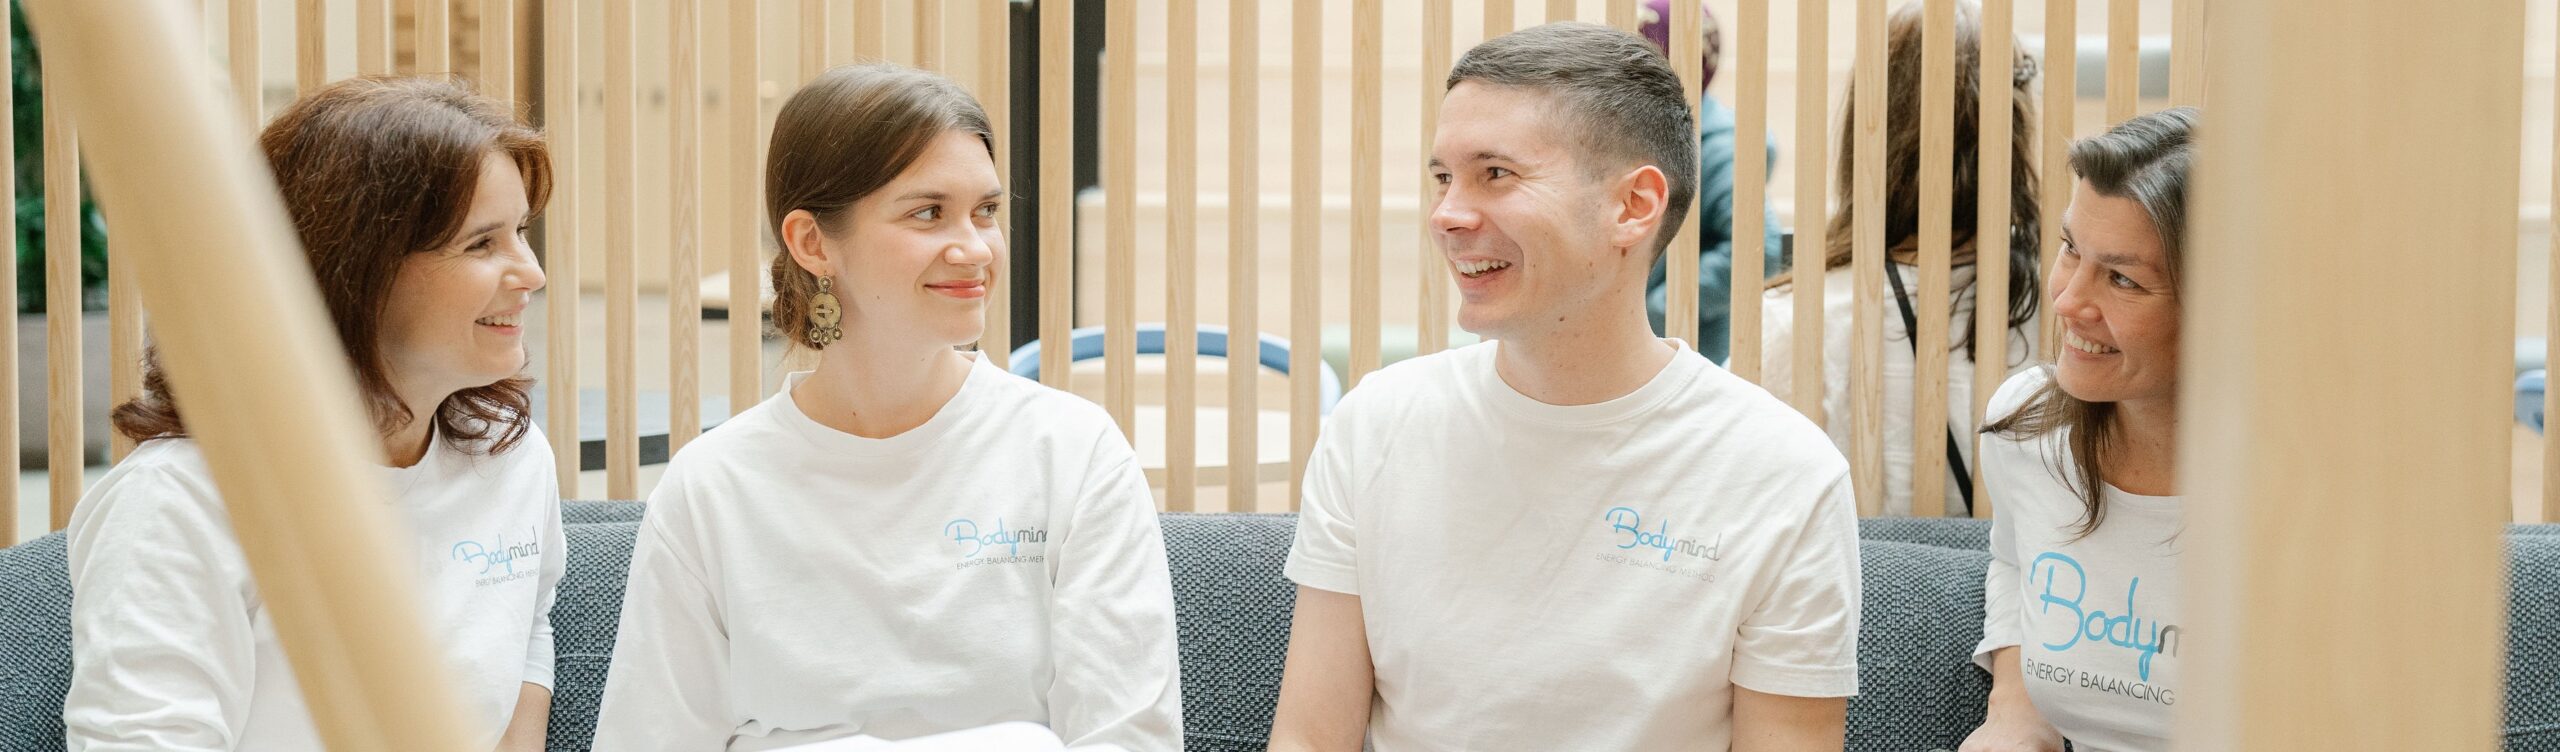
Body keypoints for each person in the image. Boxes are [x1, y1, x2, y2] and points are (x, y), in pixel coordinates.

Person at [1268, 23, 1860, 751]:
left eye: (1495, 174)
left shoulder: (1783, 475)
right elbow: (1309, 738)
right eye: (1443, 178)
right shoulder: (1375, 426)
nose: (1447, 215)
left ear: (1634, 206)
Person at [592, 64, 1183, 751]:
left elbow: (1128, 737)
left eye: (986, 211)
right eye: (928, 213)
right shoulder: (712, 488)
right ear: (813, 244)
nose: (975, 248)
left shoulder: (1073, 454)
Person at [63, 77, 561, 751]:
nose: (531, 273)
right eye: (481, 244)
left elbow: (528, 633)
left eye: (521, 232)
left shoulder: (509, 455)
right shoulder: (176, 502)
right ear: (355, 270)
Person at [1963, 107, 2196, 752]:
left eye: (2122, 279)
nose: (2067, 300)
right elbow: (2016, 562)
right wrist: (2015, 712)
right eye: (2070, 249)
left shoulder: (2313, 504)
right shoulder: (2027, 428)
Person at [1760, 0, 2046, 516]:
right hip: (2031, 568)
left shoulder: (1798, 320)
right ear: (2016, 128)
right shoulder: (2067, 311)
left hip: (1859, 568)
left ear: (1869, 127)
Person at [1639, 0, 1788, 364]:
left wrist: (1659, 307)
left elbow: (1759, 248)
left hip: (1694, 348)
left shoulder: (1722, 147)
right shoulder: (1656, 133)